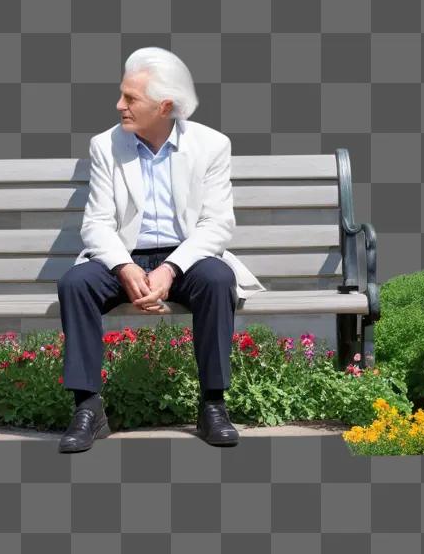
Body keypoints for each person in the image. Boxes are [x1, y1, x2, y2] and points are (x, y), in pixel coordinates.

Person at [56, 47, 266, 452]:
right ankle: (87, 409)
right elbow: (97, 223)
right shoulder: (106, 145)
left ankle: (213, 406)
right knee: (75, 284)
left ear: (165, 105)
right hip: (124, 254)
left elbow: (217, 224)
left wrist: (170, 268)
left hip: (186, 256)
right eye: (122, 95)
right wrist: (123, 267)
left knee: (218, 279)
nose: (120, 106)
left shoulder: (212, 145)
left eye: (130, 98)